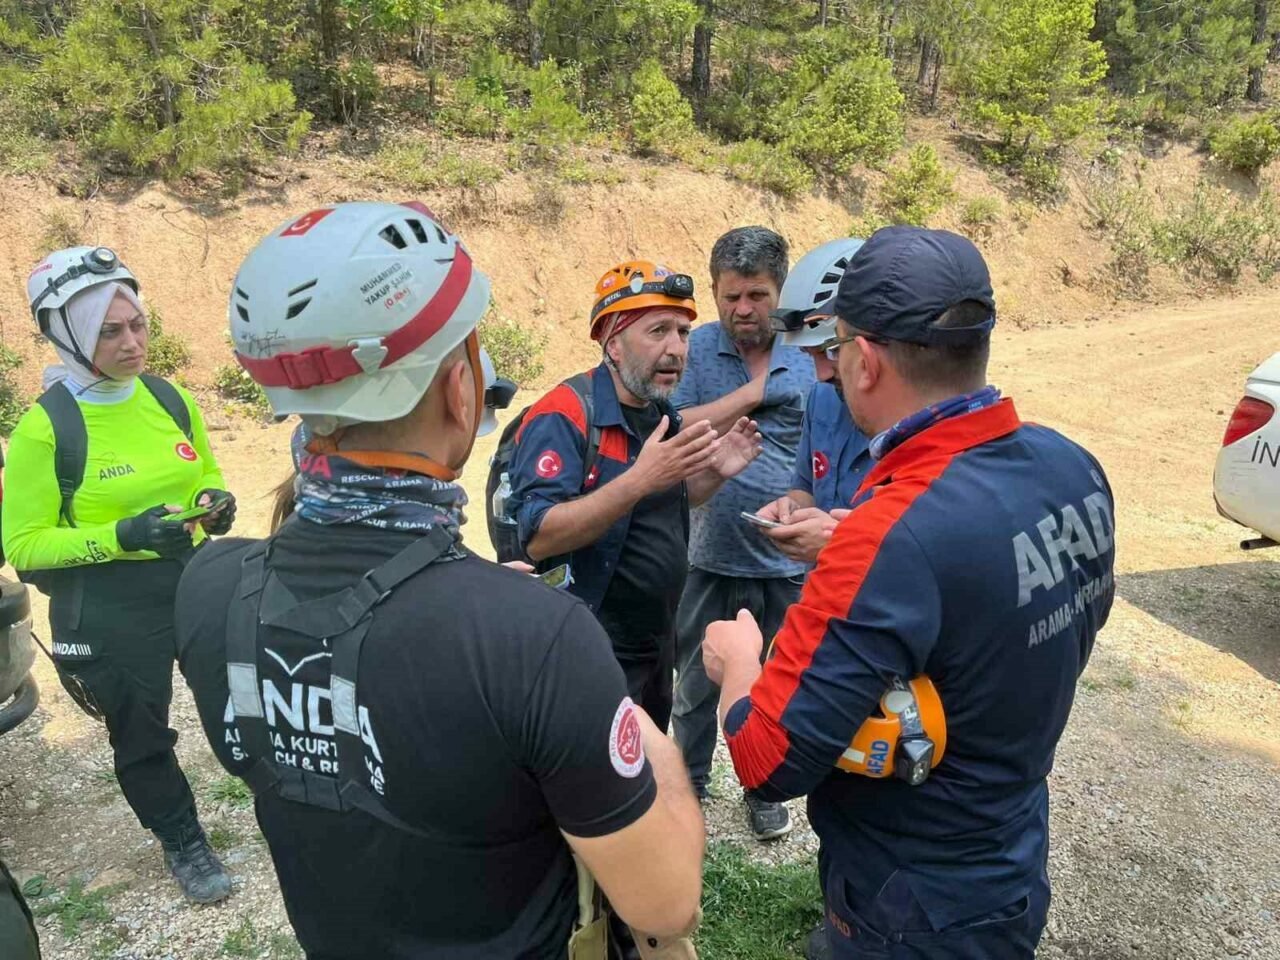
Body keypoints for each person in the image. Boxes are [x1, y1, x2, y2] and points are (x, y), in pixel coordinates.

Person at [174, 202, 705, 959]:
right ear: (461, 391)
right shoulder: (536, 638)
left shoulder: (211, 585)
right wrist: (645, 734)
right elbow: (667, 902)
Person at [703, 226, 1116, 959]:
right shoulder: (1071, 466)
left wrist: (738, 663)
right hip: (1011, 850)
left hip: (906, 895)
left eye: (834, 351)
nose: (825, 372)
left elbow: (767, 762)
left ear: (864, 361)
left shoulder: (885, 536)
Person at [3, 247, 236, 904]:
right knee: (140, 729)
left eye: (138, 324)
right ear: (70, 335)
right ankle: (181, 836)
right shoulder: (46, 429)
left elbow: (205, 471)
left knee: (236, 691)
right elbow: (23, 544)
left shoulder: (169, 397)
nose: (133, 342)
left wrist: (214, 503)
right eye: (110, 331)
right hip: (109, 601)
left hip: (189, 574)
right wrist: (121, 536)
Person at [507, 260, 762, 733]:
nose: (676, 349)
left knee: (647, 765)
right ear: (613, 343)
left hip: (655, 645)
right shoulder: (565, 414)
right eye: (658, 331)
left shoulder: (661, 414)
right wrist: (640, 479)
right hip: (587, 649)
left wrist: (713, 476)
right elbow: (539, 536)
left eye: (683, 333)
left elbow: (656, 506)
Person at [670, 225, 815, 840]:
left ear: (780, 292)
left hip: (790, 563)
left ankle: (765, 791)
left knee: (780, 688)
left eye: (757, 295)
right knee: (694, 687)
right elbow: (673, 424)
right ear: (714, 293)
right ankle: (687, 790)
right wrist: (756, 393)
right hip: (708, 554)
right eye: (731, 296)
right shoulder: (696, 349)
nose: (744, 309)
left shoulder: (810, 349)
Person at [755, 238, 873, 565]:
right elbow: (806, 486)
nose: (820, 374)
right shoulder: (822, 398)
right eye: (810, 355)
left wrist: (842, 544)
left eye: (831, 351)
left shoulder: (918, 420)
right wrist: (792, 510)